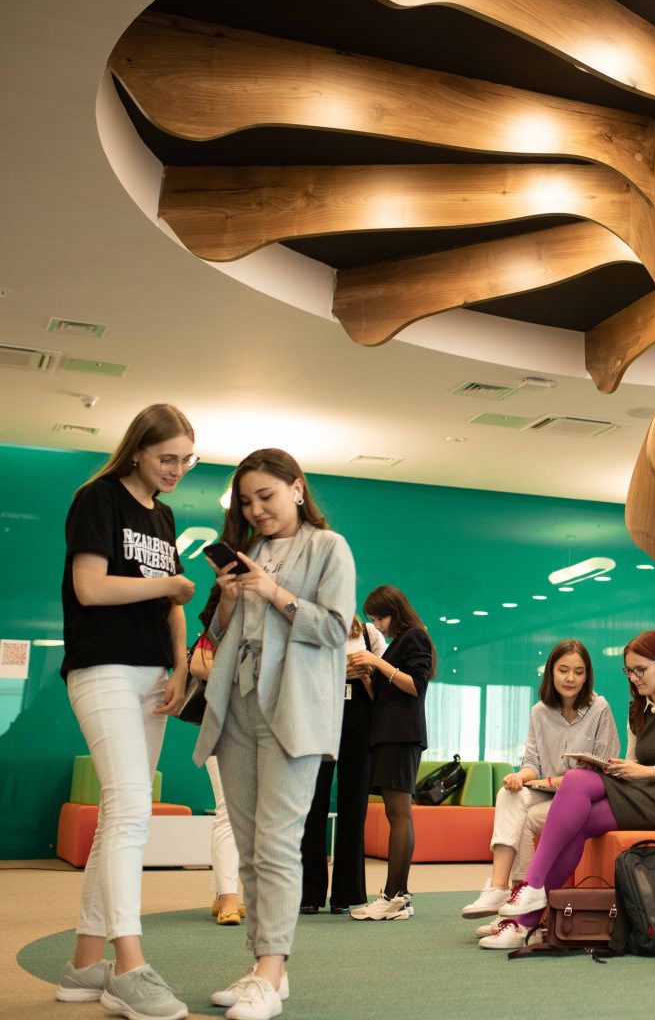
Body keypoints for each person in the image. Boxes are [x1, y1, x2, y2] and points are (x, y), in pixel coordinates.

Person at [195, 449, 356, 1020]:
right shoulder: (250, 552)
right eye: (246, 502)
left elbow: (335, 629)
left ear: (296, 488)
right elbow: (219, 638)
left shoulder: (328, 547)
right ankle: (265, 969)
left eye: (265, 496)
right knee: (248, 845)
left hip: (294, 710)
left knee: (278, 843)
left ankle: (271, 968)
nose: (256, 510)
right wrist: (229, 599)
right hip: (236, 704)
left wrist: (274, 593)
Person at [55, 404, 197, 1020]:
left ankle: (85, 964)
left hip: (153, 675)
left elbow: (174, 607)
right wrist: (168, 585)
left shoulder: (163, 517)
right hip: (102, 668)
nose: (176, 470)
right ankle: (129, 966)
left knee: (121, 814)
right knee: (133, 809)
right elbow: (90, 587)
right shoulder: (98, 498)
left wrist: (181, 669)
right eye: (167, 458)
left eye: (186, 460)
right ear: (137, 449)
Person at [494, 629, 655, 948]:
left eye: (641, 670)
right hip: (647, 795)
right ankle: (527, 921)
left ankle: (532, 887)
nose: (634, 678)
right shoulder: (638, 710)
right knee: (580, 815)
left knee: (575, 780)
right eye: (629, 671)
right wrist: (620, 768)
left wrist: (647, 772)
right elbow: (633, 763)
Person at [468, 639, 620, 948]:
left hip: (579, 799)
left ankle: (519, 902)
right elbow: (532, 764)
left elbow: (605, 766)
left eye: (578, 672)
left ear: (587, 675)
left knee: (526, 817)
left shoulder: (599, 708)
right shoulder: (539, 711)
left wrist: (555, 780)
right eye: (563, 670)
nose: (570, 678)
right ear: (551, 672)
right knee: (508, 795)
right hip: (546, 791)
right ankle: (501, 888)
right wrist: (519, 777)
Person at [348, 585, 435, 922]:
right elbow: (385, 698)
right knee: (395, 814)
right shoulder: (400, 641)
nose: (377, 625)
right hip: (389, 736)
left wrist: (375, 662)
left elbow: (416, 686)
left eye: (379, 618)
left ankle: (394, 895)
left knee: (399, 815)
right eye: (372, 619)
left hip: (402, 736)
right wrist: (367, 676)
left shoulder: (415, 636)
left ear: (394, 612)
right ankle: (399, 896)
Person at [299, 615, 383, 915]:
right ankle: (309, 893)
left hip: (359, 721)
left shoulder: (370, 634)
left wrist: (365, 673)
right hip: (318, 719)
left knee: (354, 807)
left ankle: (345, 894)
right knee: (312, 806)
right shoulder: (310, 628)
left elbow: (384, 690)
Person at [188, 597, 244, 927]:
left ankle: (222, 893)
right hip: (222, 728)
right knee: (228, 810)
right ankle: (229, 897)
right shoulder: (216, 631)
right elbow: (197, 666)